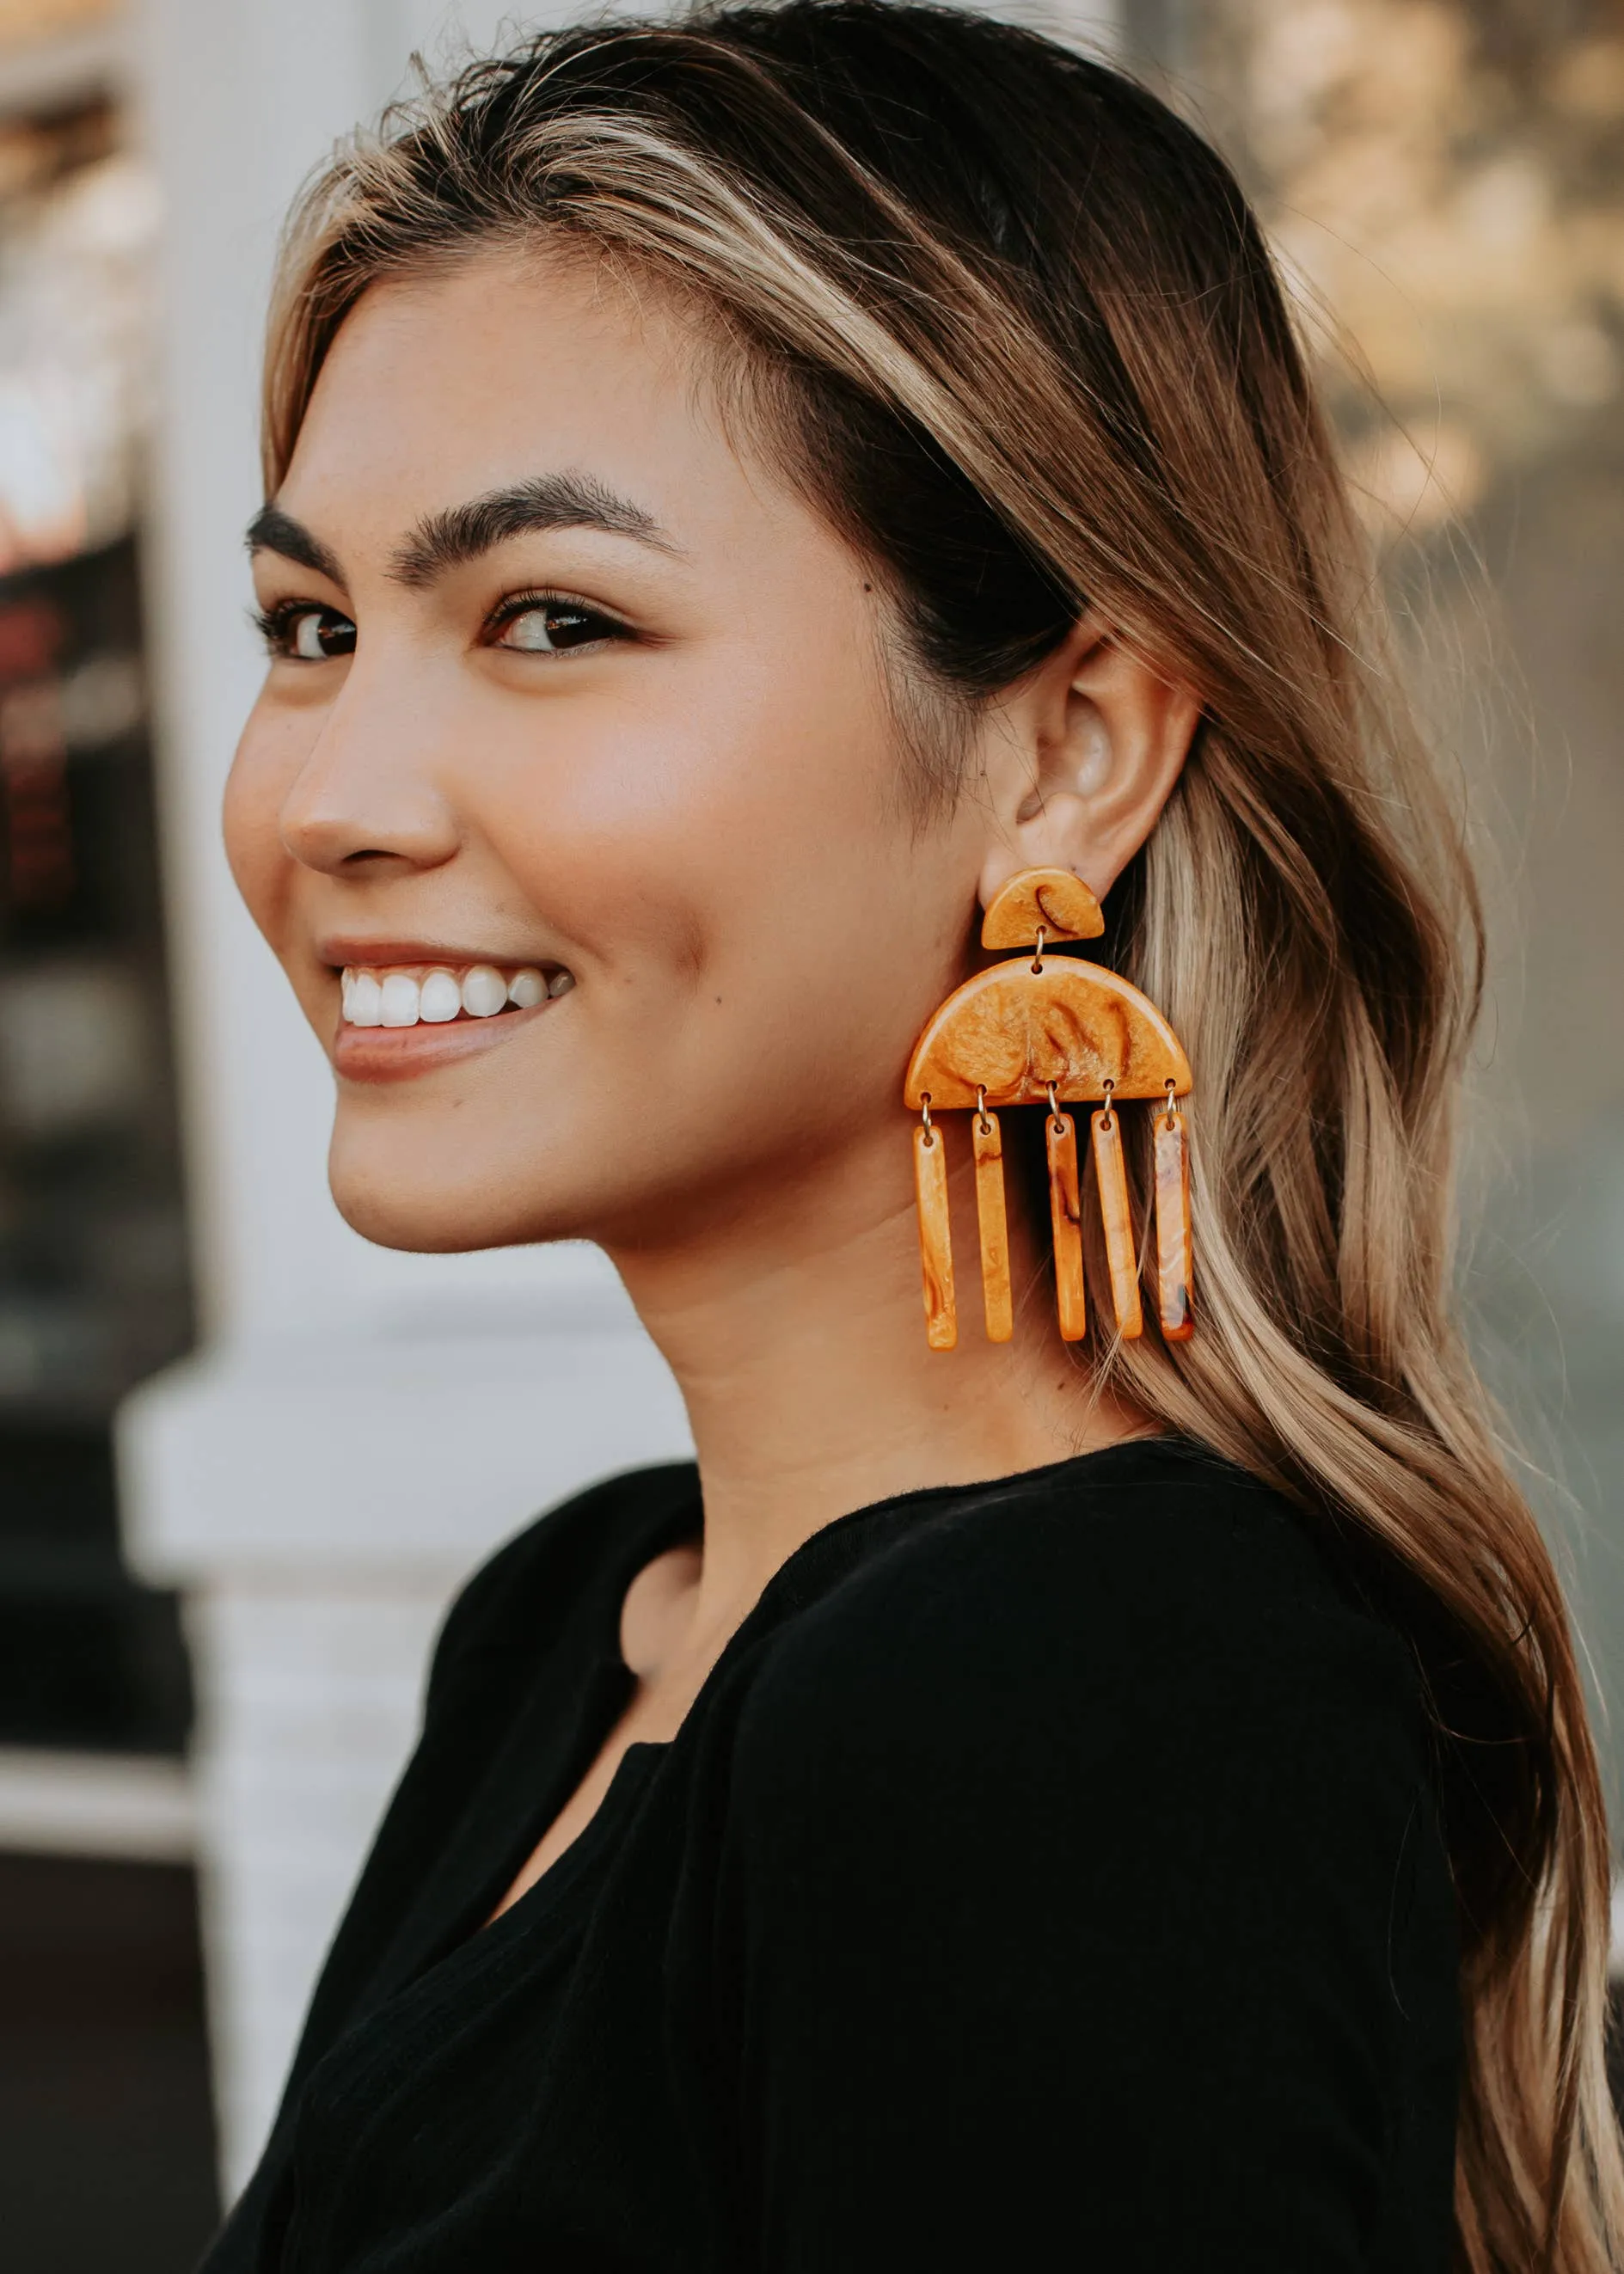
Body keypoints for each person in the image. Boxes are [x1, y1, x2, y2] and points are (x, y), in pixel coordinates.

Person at [203, 4, 1623, 2267]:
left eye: (553, 617)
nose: (333, 800)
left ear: (1066, 749)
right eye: (310, 623)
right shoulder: (575, 1623)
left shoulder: (1076, 1701)